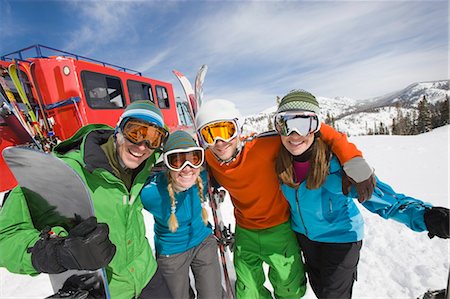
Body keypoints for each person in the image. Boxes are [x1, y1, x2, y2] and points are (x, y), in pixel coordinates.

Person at [273, 89, 450, 299]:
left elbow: (386, 201)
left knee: (333, 295)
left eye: (304, 124)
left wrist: (426, 216)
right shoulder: (279, 162)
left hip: (341, 238)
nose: (294, 134)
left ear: (317, 127)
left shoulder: (339, 168)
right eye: (285, 124)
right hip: (306, 238)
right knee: (321, 289)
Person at [194, 99, 373, 299]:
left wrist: (352, 157)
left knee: (289, 286)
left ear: (239, 127)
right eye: (209, 134)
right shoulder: (209, 158)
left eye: (226, 130)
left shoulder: (265, 145)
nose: (219, 141)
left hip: (280, 228)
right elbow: (187, 166)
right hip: (246, 231)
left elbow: (314, 130)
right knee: (248, 291)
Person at [0, 100, 173, 299]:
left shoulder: (144, 166)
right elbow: (5, 238)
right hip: (109, 291)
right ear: (118, 130)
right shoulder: (65, 172)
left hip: (147, 275)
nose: (142, 146)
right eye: (135, 132)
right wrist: (58, 253)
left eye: (154, 138)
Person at [141, 130, 223, 299]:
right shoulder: (151, 193)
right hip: (172, 251)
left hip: (203, 241)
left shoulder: (203, 176)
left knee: (212, 295)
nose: (187, 169)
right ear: (167, 165)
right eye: (177, 160)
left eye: (193, 159)